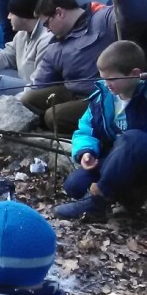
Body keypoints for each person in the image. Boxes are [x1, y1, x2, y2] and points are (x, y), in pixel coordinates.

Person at [21, 0, 147, 134]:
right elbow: (41, 82)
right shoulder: (55, 45)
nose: (47, 31)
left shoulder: (102, 18)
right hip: (70, 91)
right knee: (28, 100)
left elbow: (132, 15)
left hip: (102, 93)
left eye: (47, 24)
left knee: (54, 116)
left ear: (60, 13)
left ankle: (95, 131)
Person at [54, 41, 147, 220]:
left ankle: (98, 200)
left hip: (141, 159)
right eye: (103, 78)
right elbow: (86, 129)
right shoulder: (102, 97)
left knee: (131, 139)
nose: (106, 84)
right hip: (115, 161)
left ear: (135, 74)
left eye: (111, 79)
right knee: (75, 185)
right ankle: (128, 197)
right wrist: (85, 152)